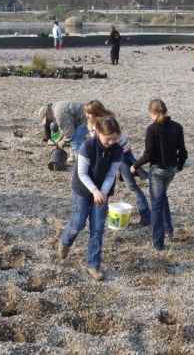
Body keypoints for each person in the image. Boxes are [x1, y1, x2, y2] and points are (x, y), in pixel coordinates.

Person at [59, 117, 123, 281]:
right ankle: (66, 240)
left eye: (115, 138)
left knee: (98, 228)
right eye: (108, 138)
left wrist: (102, 192)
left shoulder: (117, 149)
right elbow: (82, 173)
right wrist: (94, 190)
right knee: (79, 222)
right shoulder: (87, 146)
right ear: (98, 132)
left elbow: (111, 174)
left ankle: (93, 265)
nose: (111, 142)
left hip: (102, 191)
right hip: (82, 189)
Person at [131, 99, 188, 251]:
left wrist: (135, 166)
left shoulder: (152, 129)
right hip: (171, 171)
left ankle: (158, 243)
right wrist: (179, 166)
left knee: (156, 205)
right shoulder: (177, 127)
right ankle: (169, 230)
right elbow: (183, 151)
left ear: (153, 113)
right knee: (162, 197)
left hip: (157, 172)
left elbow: (148, 154)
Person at [84, 100, 151, 226]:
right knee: (103, 184)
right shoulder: (92, 124)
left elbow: (114, 142)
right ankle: (99, 214)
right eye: (86, 113)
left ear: (96, 112)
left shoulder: (107, 123)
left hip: (122, 155)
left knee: (131, 186)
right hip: (110, 155)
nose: (87, 115)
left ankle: (146, 214)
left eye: (89, 113)